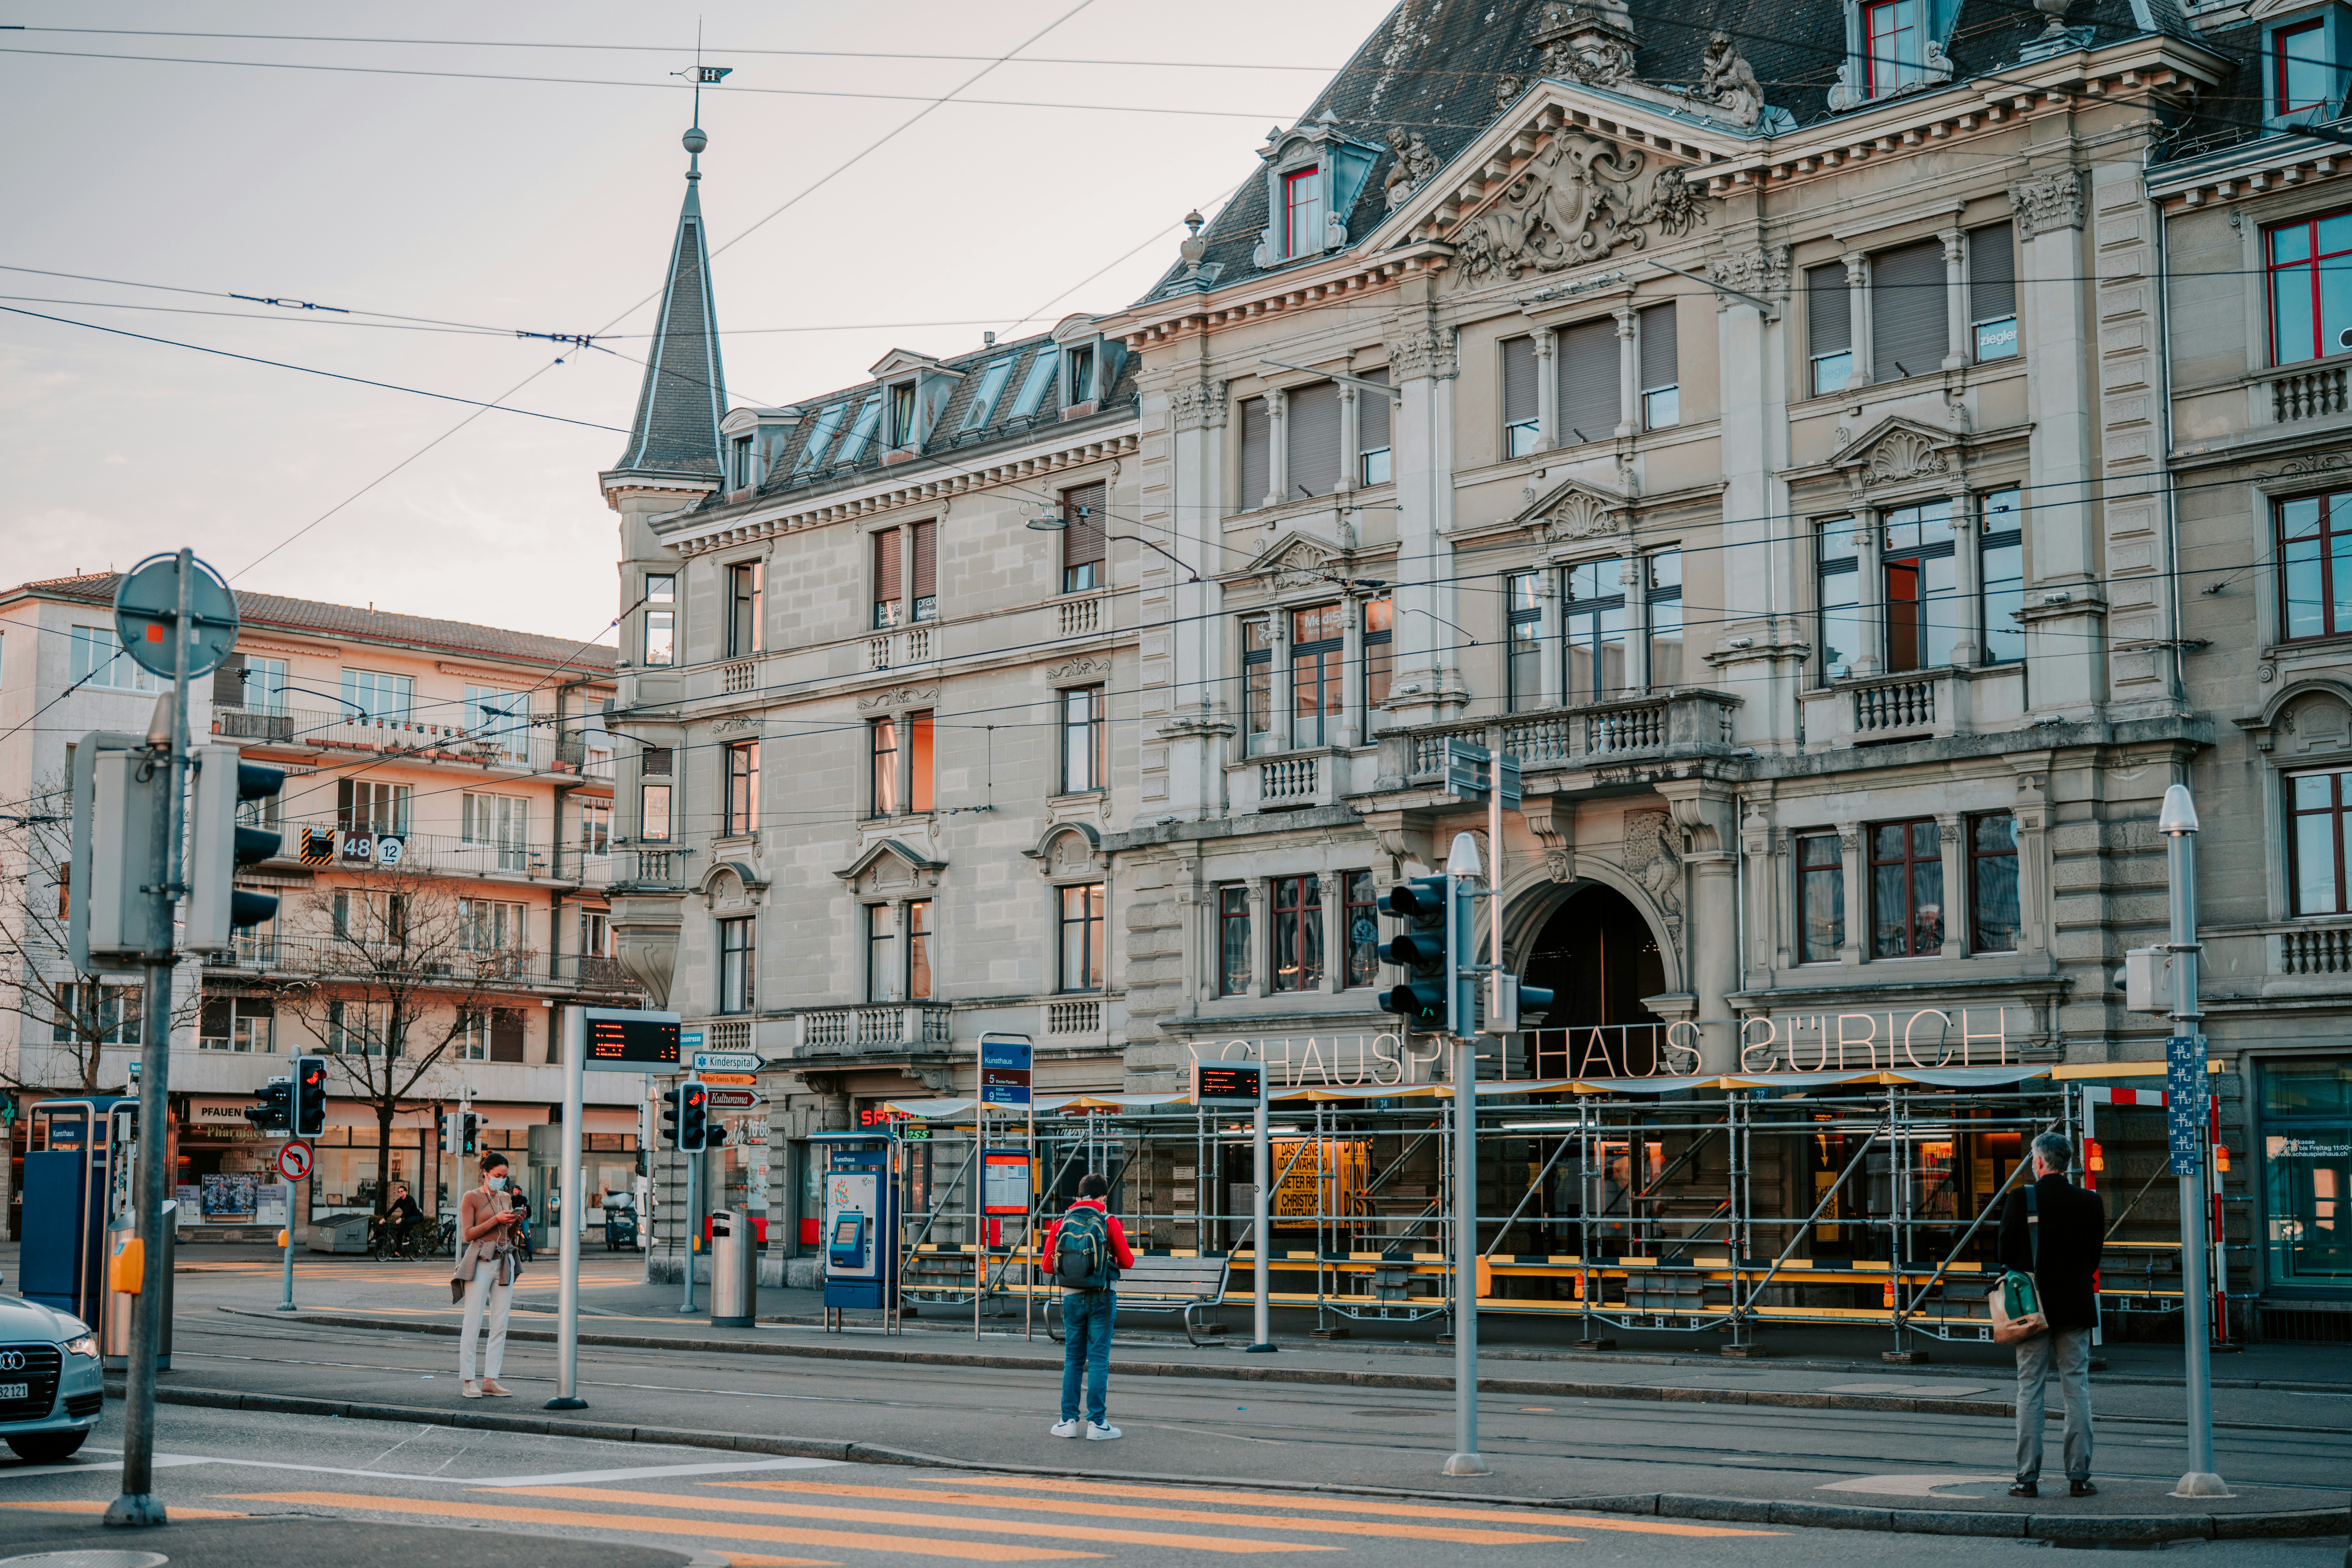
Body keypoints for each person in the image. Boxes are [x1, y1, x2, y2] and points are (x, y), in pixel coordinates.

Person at [1998, 1130, 2105, 1497]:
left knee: (2030, 1389)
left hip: (2032, 1311)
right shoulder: (2091, 1202)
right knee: (2077, 1388)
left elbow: (2007, 1256)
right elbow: (2093, 1260)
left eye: (2033, 1157)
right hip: (2075, 1307)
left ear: (2040, 1161)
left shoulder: (2021, 1198)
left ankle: (2027, 1478)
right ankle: (2079, 1476)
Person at [1041, 1172, 1134, 1441]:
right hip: (1102, 1297)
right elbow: (1128, 1262)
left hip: (1071, 1298)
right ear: (1103, 1197)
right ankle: (1097, 1424)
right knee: (1098, 1360)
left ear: (1079, 1196)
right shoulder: (1108, 1221)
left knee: (1073, 1359)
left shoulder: (1061, 1224)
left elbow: (1048, 1266)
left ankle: (1067, 1422)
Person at [451, 1151, 525, 1398]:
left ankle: (491, 1380)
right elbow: (469, 1235)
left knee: (500, 1324)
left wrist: (516, 1221)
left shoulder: (506, 1197)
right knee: (473, 1323)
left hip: (504, 1260)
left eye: (505, 1176)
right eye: (497, 1175)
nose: (502, 1180)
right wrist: (495, 1219)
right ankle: (469, 1381)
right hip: (481, 1262)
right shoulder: (471, 1198)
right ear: (486, 1172)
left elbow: (508, 1234)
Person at [385, 1181, 426, 1249]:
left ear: (406, 1192)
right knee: (399, 1234)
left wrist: (400, 1218)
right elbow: (392, 1210)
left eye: (402, 1191)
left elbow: (407, 1210)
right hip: (409, 1218)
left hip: (418, 1217)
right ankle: (397, 1253)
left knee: (406, 1221)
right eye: (399, 1192)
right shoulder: (399, 1201)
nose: (400, 1193)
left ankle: (407, 1238)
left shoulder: (410, 1199)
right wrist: (384, 1219)